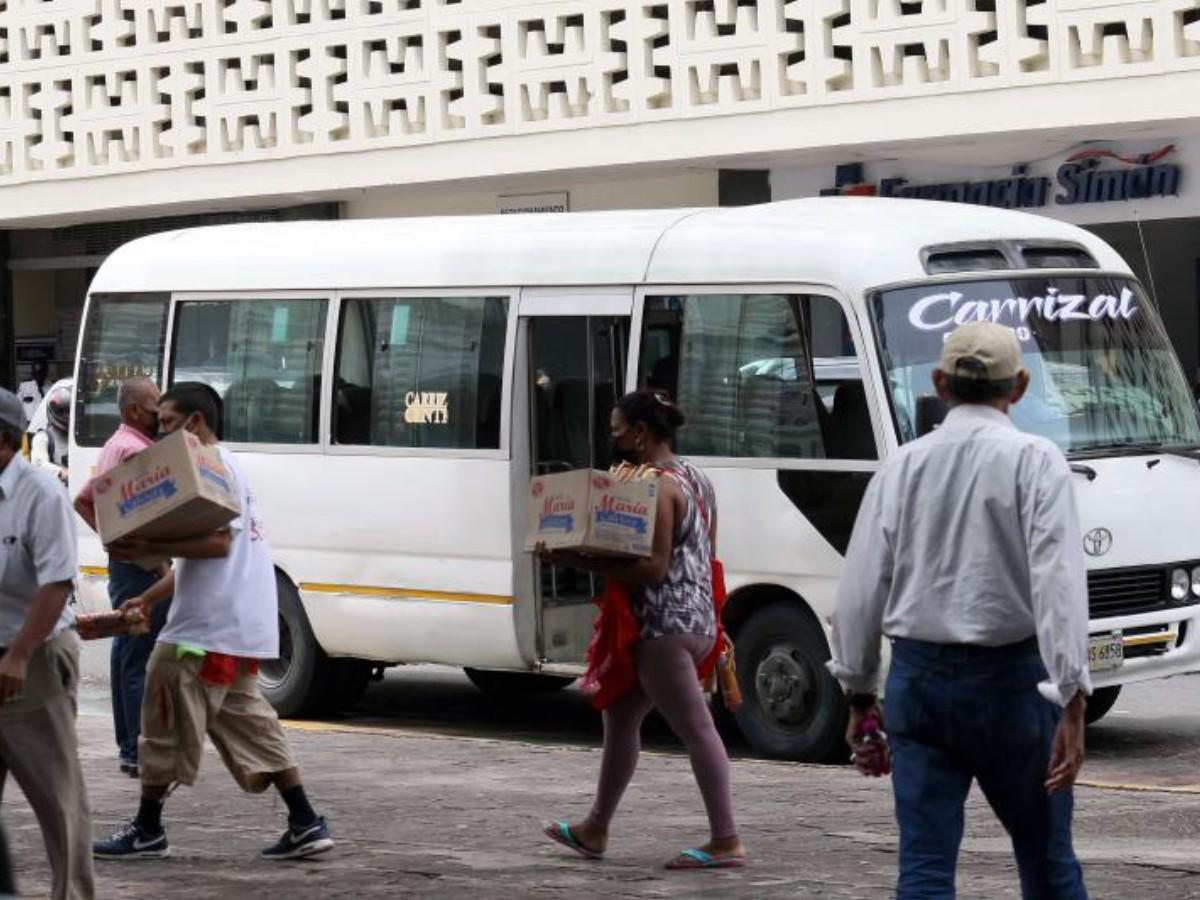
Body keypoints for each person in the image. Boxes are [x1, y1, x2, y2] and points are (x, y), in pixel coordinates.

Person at [828, 321, 1090, 900]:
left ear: (940, 384)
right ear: (1018, 386)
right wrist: (1073, 695)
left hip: (918, 684)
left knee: (924, 868)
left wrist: (859, 694)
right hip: (1012, 687)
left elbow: (860, 588)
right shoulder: (1036, 459)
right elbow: (1058, 584)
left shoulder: (902, 465)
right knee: (1047, 864)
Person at [93, 382, 333, 861]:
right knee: (253, 725)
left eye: (165, 422)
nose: (159, 432)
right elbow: (197, 566)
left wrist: (150, 549)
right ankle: (305, 820)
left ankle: (147, 828)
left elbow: (218, 544)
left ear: (195, 423)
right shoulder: (221, 468)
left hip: (204, 632)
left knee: (160, 715)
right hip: (235, 628)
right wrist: (145, 596)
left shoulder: (212, 466)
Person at [538, 390, 743, 870]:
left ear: (641, 433)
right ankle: (595, 828)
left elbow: (651, 569)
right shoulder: (696, 479)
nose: (612, 436)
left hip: (662, 624)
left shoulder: (654, 488)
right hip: (698, 620)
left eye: (616, 428)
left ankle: (727, 839)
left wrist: (573, 557)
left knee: (695, 728)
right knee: (621, 718)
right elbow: (703, 554)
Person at [0, 388, 95, 900]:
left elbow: (56, 582)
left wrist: (17, 653)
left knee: (57, 797)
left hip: (31, 658)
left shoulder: (40, 493)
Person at [74, 377, 172, 778]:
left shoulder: (121, 444)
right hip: (140, 571)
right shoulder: (133, 450)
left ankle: (130, 746)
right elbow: (85, 500)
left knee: (128, 656)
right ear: (134, 410)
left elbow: (85, 500)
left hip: (131, 566)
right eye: (154, 406)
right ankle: (135, 747)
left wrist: (112, 539)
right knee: (138, 659)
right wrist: (138, 552)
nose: (160, 414)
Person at [30, 383, 71, 485]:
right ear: (55, 411)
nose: (67, 415)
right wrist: (61, 472)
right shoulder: (43, 437)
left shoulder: (77, 435)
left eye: (69, 411)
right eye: (63, 411)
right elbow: (38, 464)